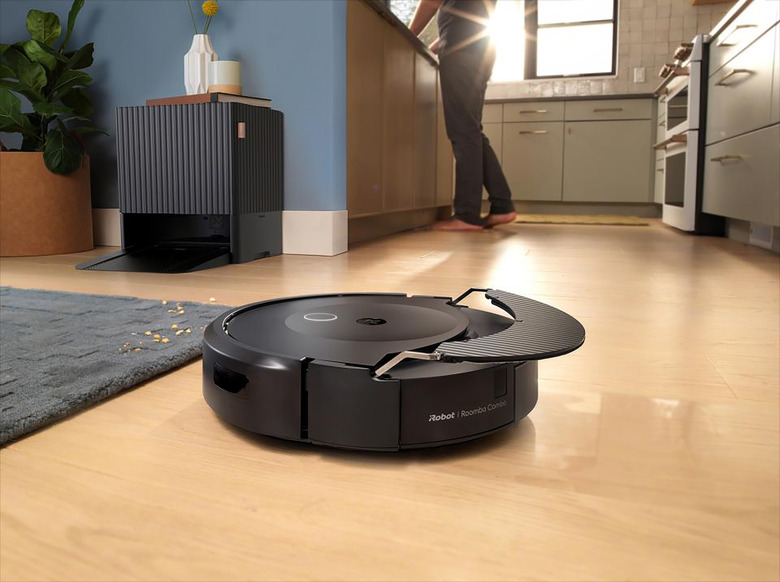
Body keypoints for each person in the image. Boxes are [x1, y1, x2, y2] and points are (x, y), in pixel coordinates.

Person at [409, 0, 516, 231]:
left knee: (464, 132)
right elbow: (466, 18)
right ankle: (502, 205)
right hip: (480, 51)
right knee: (472, 131)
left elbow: (431, 2)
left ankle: (467, 214)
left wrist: (408, 35)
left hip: (462, 52)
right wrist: (435, 46)